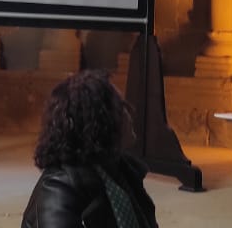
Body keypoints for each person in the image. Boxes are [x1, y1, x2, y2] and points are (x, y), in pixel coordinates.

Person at [22, 70, 159, 228]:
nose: (129, 114)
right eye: (120, 108)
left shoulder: (121, 170)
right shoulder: (56, 191)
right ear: (100, 123)